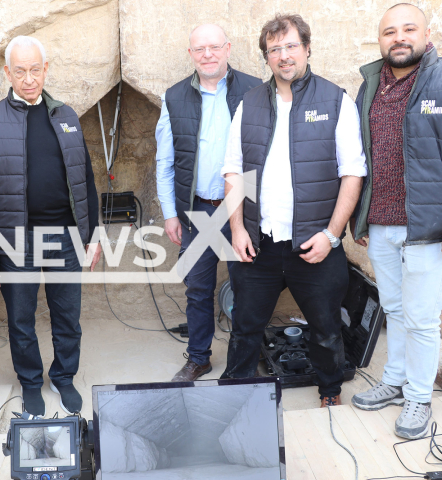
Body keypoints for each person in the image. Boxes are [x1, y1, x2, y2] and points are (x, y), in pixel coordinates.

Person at [220, 14, 367, 407]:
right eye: (274, 49)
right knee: (246, 327)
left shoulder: (335, 100)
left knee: (325, 328)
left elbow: (353, 173)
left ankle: (330, 390)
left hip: (316, 244)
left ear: (306, 48)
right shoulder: (248, 104)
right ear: (266, 58)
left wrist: (332, 235)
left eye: (290, 46)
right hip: (260, 245)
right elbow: (233, 170)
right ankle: (236, 394)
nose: (283, 56)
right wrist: (237, 228)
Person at [0, 36, 101, 417]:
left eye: (35, 69)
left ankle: (64, 377)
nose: (29, 78)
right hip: (15, 242)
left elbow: (86, 180)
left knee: (67, 316)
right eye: (20, 71)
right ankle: (30, 382)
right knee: (21, 320)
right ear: (8, 73)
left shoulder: (67, 116)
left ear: (46, 69)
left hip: (65, 238)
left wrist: (91, 237)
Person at [350, 3, 442, 439]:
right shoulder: (368, 89)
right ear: (380, 39)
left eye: (409, 29)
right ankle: (396, 379)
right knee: (395, 310)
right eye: (390, 31)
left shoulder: (439, 82)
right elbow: (358, 161)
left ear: (429, 32)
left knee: (423, 318)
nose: (399, 37)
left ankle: (419, 397)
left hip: (425, 228)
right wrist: (361, 219)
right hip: (382, 226)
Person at [155, 24, 261, 382]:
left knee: (247, 288)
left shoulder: (255, 90)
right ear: (190, 54)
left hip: (240, 210)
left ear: (228, 48)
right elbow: (165, 162)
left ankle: (244, 360)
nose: (208, 55)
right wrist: (170, 213)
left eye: (214, 47)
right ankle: (199, 357)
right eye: (199, 49)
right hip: (197, 211)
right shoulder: (173, 97)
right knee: (198, 289)